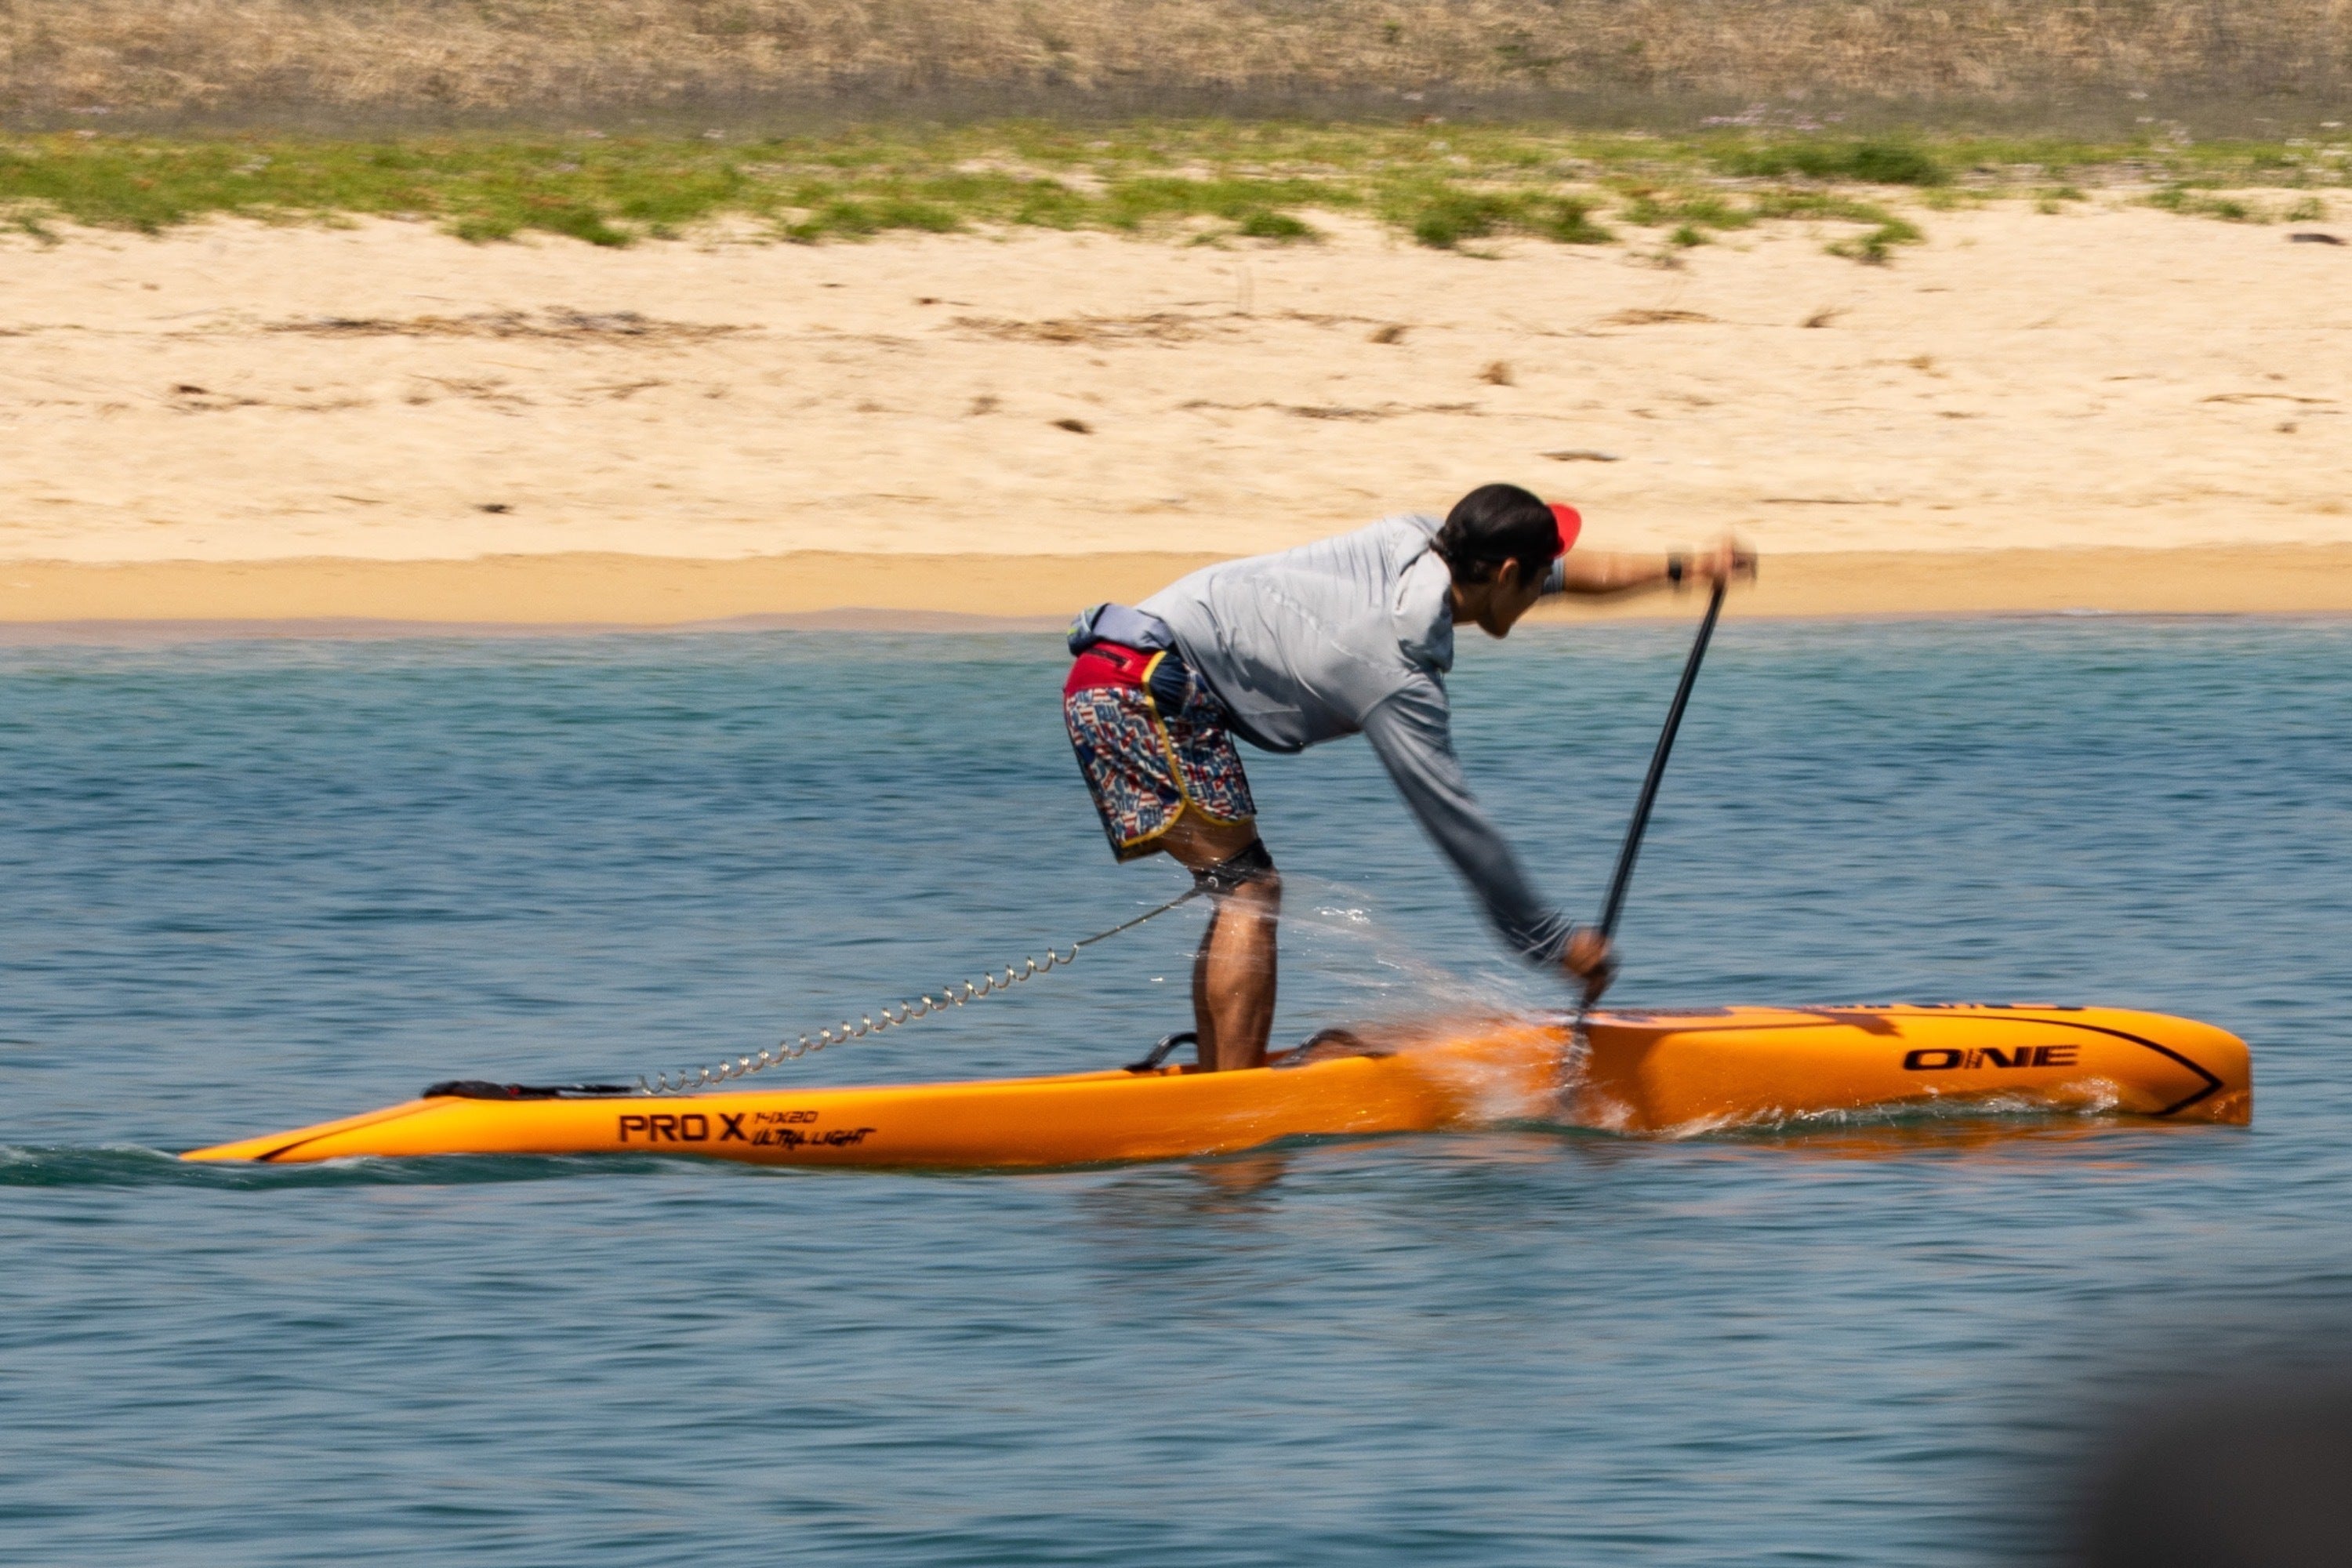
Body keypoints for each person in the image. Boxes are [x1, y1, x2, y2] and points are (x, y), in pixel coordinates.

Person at [1062, 482, 1755, 1071]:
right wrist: (1554, 944)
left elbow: (1568, 574)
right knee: (1248, 891)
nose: (1546, 586)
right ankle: (1232, 1097)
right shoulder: (1393, 675)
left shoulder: (1420, 541)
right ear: (1507, 572)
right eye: (1536, 576)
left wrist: (1683, 569)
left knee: (1239, 885)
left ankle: (1225, 1076)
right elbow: (1461, 832)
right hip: (1139, 688)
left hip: (1127, 671)